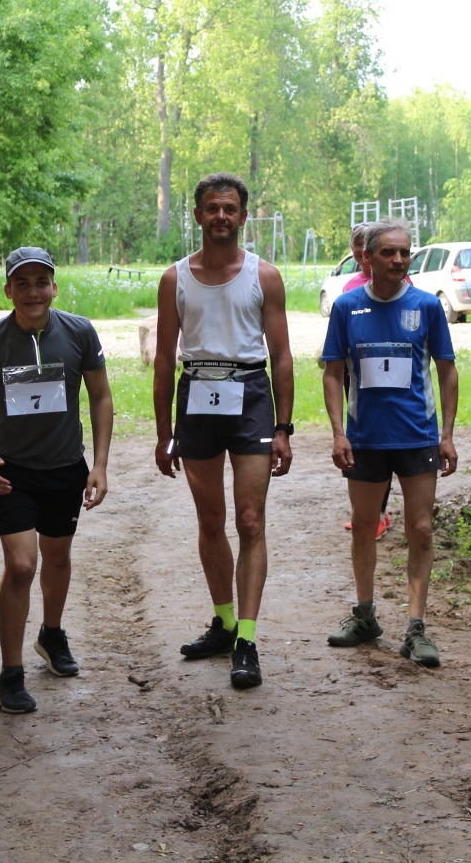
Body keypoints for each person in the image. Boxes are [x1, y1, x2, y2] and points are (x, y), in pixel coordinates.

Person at [154, 172, 294, 690]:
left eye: (230, 209)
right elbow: (165, 360)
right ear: (198, 215)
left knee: (251, 520)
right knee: (210, 520)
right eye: (212, 208)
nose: (221, 217)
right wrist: (164, 431)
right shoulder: (176, 279)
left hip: (249, 394)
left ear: (243, 215)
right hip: (197, 393)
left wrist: (283, 427)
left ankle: (247, 641)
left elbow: (281, 355)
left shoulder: (265, 275)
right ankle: (224, 622)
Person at [0, 247, 112, 714]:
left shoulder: (80, 332)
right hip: (11, 471)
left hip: (65, 466)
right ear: (8, 290)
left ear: (54, 286)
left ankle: (51, 634)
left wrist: (100, 465)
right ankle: (11, 672)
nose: (32, 292)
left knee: (59, 558)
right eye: (21, 283)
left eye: (40, 282)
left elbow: (101, 398)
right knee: (23, 566)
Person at [321, 218, 459, 666]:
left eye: (405, 253)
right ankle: (365, 615)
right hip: (364, 438)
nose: (399, 260)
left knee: (421, 529)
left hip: (417, 436)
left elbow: (447, 369)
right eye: (389, 253)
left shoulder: (427, 306)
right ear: (367, 258)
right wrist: (338, 432)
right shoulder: (347, 307)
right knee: (364, 526)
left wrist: (448, 434)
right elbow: (332, 371)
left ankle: (416, 627)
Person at [340, 224, 395, 539]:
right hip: (356, 375)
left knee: (387, 443)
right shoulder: (350, 287)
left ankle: (379, 513)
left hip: (390, 375)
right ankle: (368, 510)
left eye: (367, 245)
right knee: (363, 441)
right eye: (357, 246)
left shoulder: (400, 281)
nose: (362, 252)